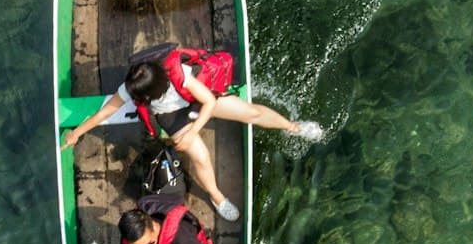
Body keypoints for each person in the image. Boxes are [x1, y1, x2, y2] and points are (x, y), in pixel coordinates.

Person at [61, 44, 323, 223]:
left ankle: (293, 127)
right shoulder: (132, 87)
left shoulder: (180, 75)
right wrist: (77, 133)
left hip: (195, 101)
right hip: (171, 117)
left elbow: (208, 102)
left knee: (250, 112)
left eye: (142, 97)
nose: (135, 98)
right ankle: (217, 196)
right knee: (200, 156)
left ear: (158, 87)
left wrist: (193, 131)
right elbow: (104, 113)